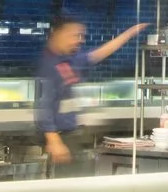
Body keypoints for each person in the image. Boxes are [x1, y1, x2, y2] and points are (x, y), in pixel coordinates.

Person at [37, 15, 142, 174]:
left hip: (72, 136)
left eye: (81, 36)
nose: (79, 40)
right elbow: (44, 106)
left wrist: (128, 34)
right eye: (74, 35)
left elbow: (98, 54)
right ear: (57, 34)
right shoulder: (48, 65)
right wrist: (54, 141)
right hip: (60, 140)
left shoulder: (68, 61)